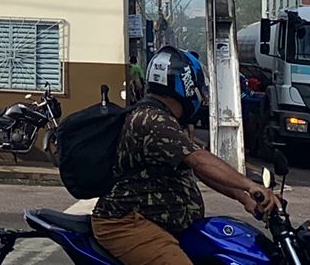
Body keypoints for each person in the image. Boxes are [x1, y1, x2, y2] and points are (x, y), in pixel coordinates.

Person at [91, 46, 282, 265]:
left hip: (151, 222)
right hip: (126, 223)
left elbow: (198, 168)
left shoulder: (161, 119)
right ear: (186, 85)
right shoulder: (152, 120)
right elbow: (199, 160)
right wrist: (250, 185)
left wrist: (243, 197)